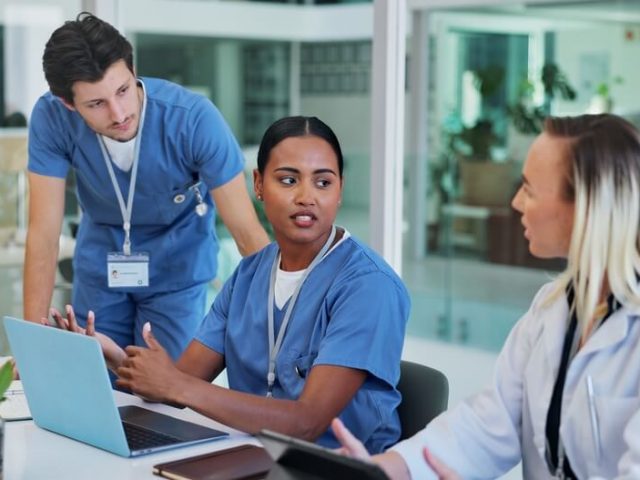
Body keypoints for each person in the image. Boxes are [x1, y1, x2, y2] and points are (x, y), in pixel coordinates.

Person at [52, 115, 410, 452]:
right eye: (288, 180)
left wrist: (177, 386)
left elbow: (307, 423)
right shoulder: (248, 275)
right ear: (258, 184)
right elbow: (179, 381)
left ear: (340, 189)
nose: (307, 196)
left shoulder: (368, 286)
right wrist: (113, 356)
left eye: (323, 182)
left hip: (335, 469)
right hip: (251, 454)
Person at [333, 113, 640, 479]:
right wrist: (384, 469)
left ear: (587, 208)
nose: (515, 202)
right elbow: (486, 426)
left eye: (528, 189)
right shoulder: (551, 310)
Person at [24, 12, 269, 360]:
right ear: (68, 104)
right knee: (97, 384)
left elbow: (247, 233)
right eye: (96, 104)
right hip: (102, 266)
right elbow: (43, 234)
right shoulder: (52, 118)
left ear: (133, 70)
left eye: (123, 90)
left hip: (177, 271)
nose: (119, 112)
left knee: (164, 389)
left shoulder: (194, 120)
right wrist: (32, 343)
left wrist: (285, 330)